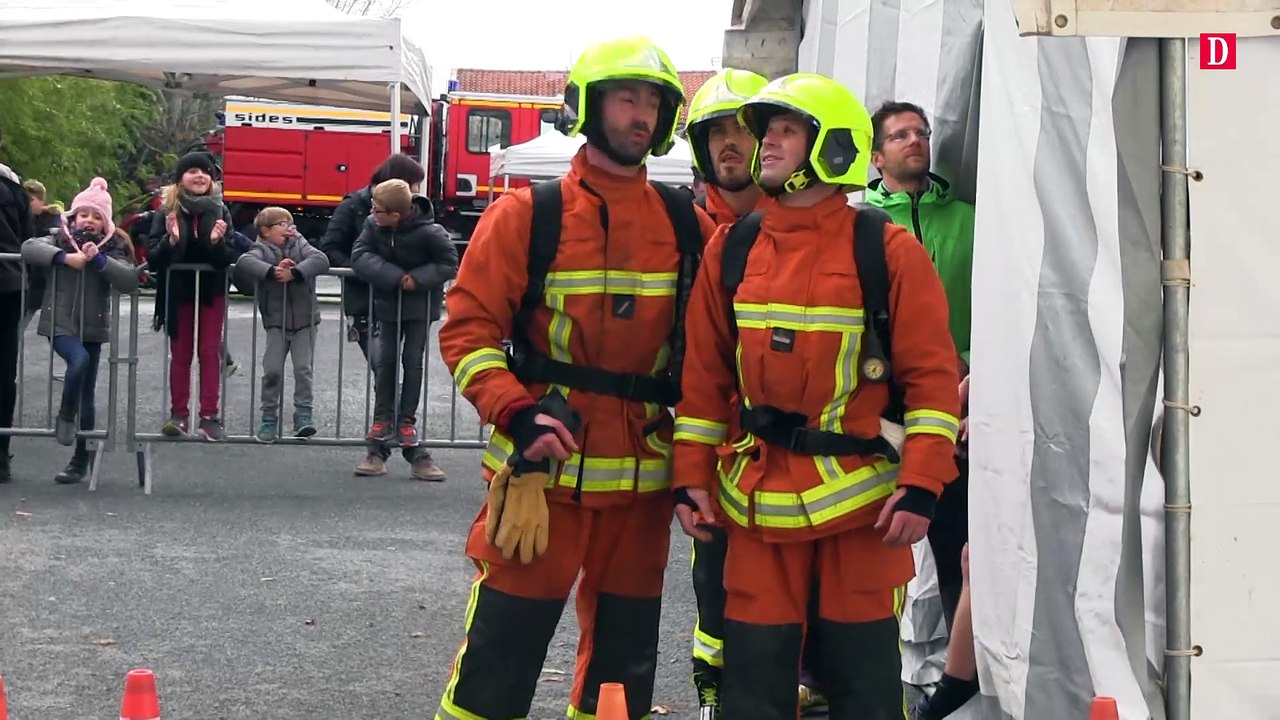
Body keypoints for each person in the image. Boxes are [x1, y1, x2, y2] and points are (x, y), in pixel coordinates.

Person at [434, 36, 715, 720]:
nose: (641, 115)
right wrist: (516, 412)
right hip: (543, 472)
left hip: (642, 486)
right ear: (585, 106)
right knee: (500, 656)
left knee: (622, 672)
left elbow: (716, 353)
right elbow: (466, 333)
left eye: (654, 103)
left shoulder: (689, 225)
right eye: (626, 99)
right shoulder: (527, 215)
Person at [671, 73, 962, 720]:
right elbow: (704, 380)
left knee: (864, 690)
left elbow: (933, 381)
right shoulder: (733, 248)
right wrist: (690, 478)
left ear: (830, 148)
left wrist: (921, 485)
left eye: (786, 131)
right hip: (756, 512)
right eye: (766, 132)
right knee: (754, 691)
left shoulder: (888, 250)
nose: (766, 144)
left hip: (861, 516)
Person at [676, 65, 776, 719]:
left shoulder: (805, 227)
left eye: (743, 129)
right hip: (714, 447)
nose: (729, 144)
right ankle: (713, 696)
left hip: (790, 451)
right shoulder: (682, 231)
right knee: (713, 589)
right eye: (716, 132)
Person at [865, 101, 975, 629]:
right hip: (880, 410)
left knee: (958, 548)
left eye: (921, 132)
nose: (915, 141)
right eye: (899, 135)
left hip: (961, 404)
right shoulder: (860, 224)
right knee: (871, 551)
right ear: (875, 156)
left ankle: (960, 668)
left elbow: (1002, 303)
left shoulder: (969, 221)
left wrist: (972, 371)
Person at [320, 154, 434, 476]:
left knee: (400, 372)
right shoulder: (354, 207)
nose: (416, 191)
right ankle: (406, 451)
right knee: (385, 371)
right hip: (366, 304)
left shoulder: (416, 210)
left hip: (406, 305)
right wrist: (374, 272)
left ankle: (387, 449)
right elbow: (331, 249)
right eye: (413, 184)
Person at [21, 177, 139, 483]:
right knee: (79, 361)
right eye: (83, 214)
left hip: (93, 327)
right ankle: (65, 414)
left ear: (105, 224)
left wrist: (99, 260)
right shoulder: (58, 238)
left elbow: (129, 280)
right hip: (59, 322)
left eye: (96, 216)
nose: (89, 220)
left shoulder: (112, 248)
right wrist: (64, 258)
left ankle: (80, 460)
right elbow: (28, 248)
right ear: (72, 217)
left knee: (88, 393)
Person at [351, 179, 456, 480]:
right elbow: (360, 256)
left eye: (377, 210)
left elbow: (448, 262)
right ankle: (382, 420)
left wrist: (418, 279)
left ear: (396, 214)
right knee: (385, 361)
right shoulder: (373, 226)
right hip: (387, 306)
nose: (372, 214)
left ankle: (406, 420)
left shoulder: (431, 232)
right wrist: (397, 277)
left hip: (419, 310)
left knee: (413, 361)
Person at [146, 152, 237, 441]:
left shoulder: (221, 211)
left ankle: (209, 417)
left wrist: (215, 243)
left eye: (205, 171)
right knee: (181, 353)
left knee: (209, 351)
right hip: (178, 290)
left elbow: (227, 257)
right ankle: (179, 416)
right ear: (180, 179)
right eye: (192, 171)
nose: (199, 176)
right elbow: (153, 257)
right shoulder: (166, 210)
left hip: (211, 290)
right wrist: (171, 240)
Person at [233, 207, 330, 442]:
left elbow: (321, 260)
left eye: (289, 223)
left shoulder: (299, 243)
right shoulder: (260, 248)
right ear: (265, 231)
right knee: (272, 370)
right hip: (276, 322)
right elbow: (245, 261)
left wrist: (295, 272)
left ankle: (303, 416)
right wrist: (273, 271)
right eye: (281, 224)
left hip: (305, 321)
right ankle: (269, 418)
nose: (288, 229)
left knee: (303, 369)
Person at [0, 124, 33, 483]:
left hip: (7, 283)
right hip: (10, 283)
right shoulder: (13, 185)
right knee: (4, 372)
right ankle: (1, 452)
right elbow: (28, 237)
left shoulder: (11, 186)